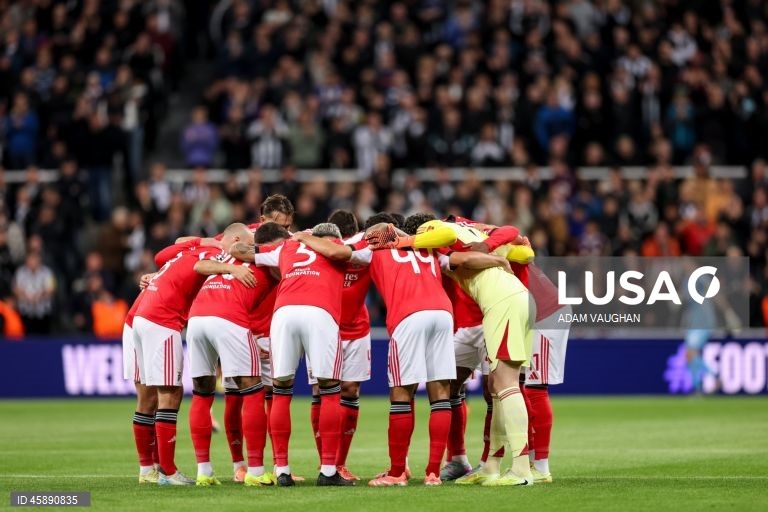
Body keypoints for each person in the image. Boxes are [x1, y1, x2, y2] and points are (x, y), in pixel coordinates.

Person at [294, 223, 511, 486]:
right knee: (441, 391)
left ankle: (397, 473)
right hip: (443, 314)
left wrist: (303, 237)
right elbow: (463, 259)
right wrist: (496, 259)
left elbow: (338, 253)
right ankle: (433, 473)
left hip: (408, 315)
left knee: (401, 393)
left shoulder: (372, 248)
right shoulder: (425, 248)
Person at [368, 215, 536, 487]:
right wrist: (495, 251)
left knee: (505, 386)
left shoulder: (439, 236)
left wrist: (406, 240)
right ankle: (488, 466)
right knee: (489, 388)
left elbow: (449, 241)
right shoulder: (471, 237)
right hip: (505, 303)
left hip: (498, 305)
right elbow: (525, 251)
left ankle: (522, 468)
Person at [132, 225, 256, 486]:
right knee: (170, 393)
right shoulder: (213, 252)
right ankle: (168, 471)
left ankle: (148, 470)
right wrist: (233, 267)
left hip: (143, 315)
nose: (247, 252)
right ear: (234, 240)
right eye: (246, 244)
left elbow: (174, 250)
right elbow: (201, 268)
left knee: (153, 395)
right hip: (162, 320)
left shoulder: (195, 247)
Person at [231, 223, 352, 487]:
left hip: (283, 314)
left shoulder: (286, 247)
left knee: (281, 390)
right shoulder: (338, 248)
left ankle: (282, 470)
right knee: (330, 389)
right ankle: (329, 471)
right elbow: (356, 255)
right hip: (320, 313)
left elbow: (239, 250)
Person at [186, 225, 286, 487]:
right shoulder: (268, 256)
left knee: (202, 392)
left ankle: (204, 472)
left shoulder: (226, 255)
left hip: (196, 318)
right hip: (229, 318)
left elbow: (199, 266)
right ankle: (255, 471)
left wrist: (229, 264)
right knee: (252, 390)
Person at [307, 209, 371, 481]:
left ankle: (339, 464)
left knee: (350, 391)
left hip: (356, 328)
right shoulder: (316, 246)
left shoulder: (365, 246)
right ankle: (327, 463)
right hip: (324, 327)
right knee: (322, 390)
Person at [13, 252, 55, 334]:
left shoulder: (47, 272)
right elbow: (16, 289)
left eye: (35, 259)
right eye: (30, 259)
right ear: (26, 260)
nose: (33, 262)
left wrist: (40, 295)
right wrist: (27, 296)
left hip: (43, 311)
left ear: (39, 260)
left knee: (43, 337)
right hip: (26, 311)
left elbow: (51, 289)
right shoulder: (20, 272)